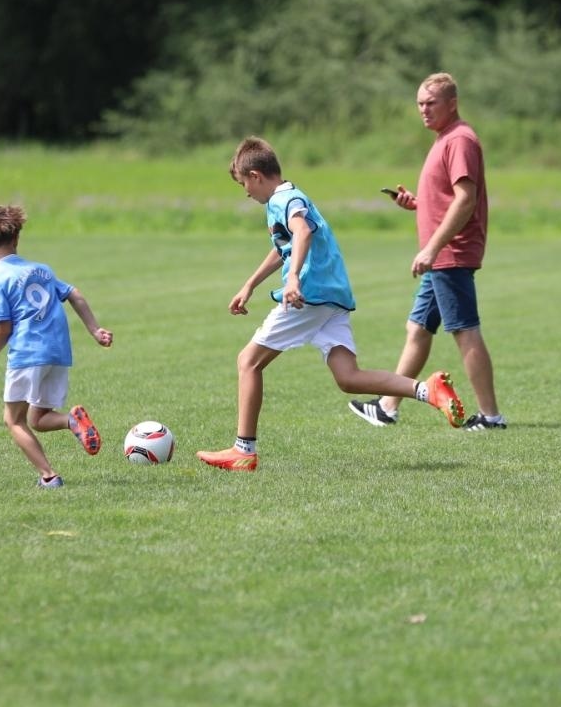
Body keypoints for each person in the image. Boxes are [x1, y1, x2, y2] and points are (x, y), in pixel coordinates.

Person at [197, 136, 465, 472]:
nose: (247, 194)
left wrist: (293, 278)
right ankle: (428, 390)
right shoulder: (291, 195)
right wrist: (250, 284)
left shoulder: (284, 199)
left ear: (255, 176)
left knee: (248, 361)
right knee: (348, 377)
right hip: (333, 295)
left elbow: (302, 232)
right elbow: (287, 244)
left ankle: (243, 450)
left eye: (243, 185)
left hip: (309, 293)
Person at [350, 72, 505, 431]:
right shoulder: (444, 139)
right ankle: (387, 407)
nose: (423, 109)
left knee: (465, 330)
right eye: (419, 103)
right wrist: (418, 205)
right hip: (441, 256)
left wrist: (432, 248)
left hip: (450, 253)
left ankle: (491, 417)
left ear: (452, 104)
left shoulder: (460, 139)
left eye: (431, 103)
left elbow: (466, 200)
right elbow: (448, 199)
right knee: (417, 329)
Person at [0, 204, 113, 487]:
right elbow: (74, 293)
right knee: (38, 418)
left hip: (27, 354)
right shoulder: (41, 270)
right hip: (58, 353)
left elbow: (4, 326)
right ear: (16, 240)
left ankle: (49, 476)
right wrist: (95, 330)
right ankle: (71, 420)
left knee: (13, 420)